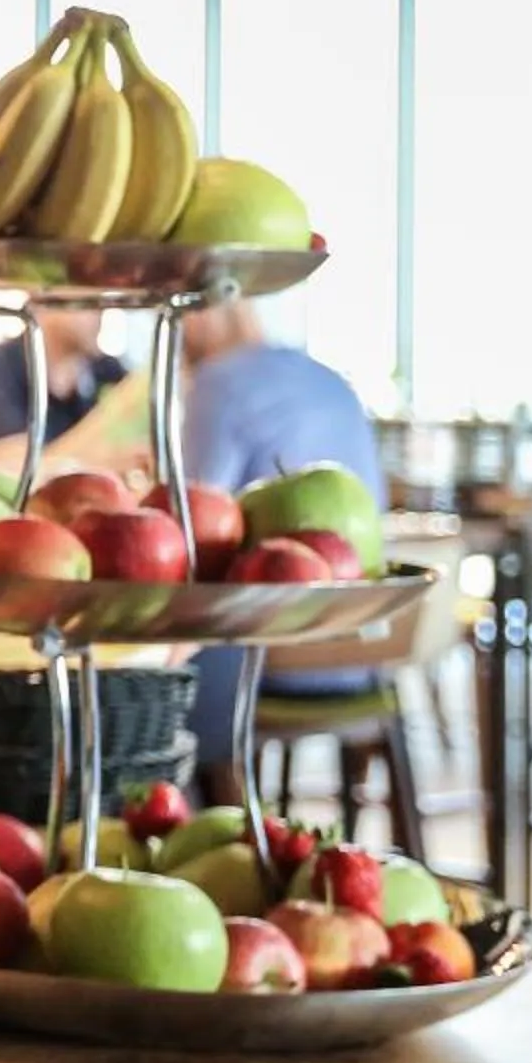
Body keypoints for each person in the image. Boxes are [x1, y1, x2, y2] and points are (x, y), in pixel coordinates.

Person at [177, 297, 387, 803]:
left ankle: (193, 827)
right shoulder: (331, 380)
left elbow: (192, 521)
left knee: (149, 666)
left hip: (274, 651)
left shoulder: (218, 383)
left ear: (203, 311)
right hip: (367, 648)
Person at [0, 308, 127, 477]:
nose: (100, 313)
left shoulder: (108, 372)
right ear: (42, 295)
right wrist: (111, 459)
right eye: (88, 301)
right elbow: (26, 472)